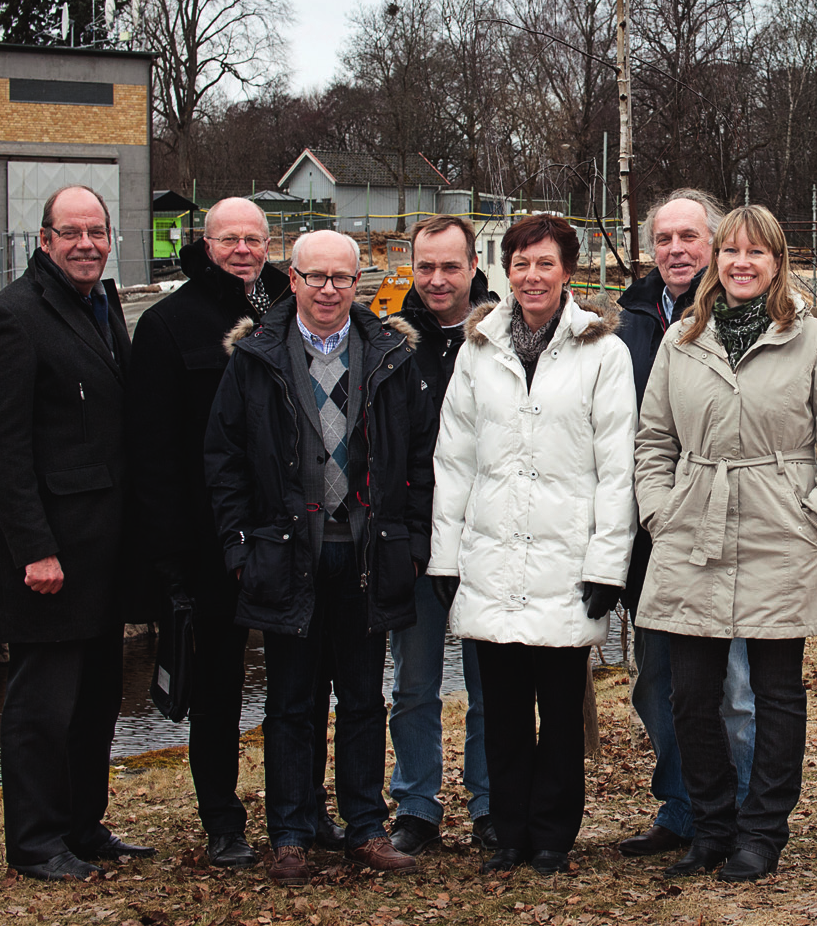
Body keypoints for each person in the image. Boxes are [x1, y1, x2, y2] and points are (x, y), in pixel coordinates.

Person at [634, 204, 817, 882]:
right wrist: (659, 512)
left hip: (778, 526)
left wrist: (814, 516)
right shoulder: (682, 340)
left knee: (775, 692)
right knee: (690, 694)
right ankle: (711, 827)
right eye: (730, 250)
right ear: (716, 260)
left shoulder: (814, 339)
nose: (740, 262)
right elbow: (653, 442)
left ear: (775, 261)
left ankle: (762, 830)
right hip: (692, 528)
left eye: (755, 252)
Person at [205, 230, 438, 883]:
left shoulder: (389, 353)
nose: (330, 289)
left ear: (358, 280)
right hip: (286, 555)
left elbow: (420, 454)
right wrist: (238, 545)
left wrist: (414, 542)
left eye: (342, 277)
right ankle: (291, 831)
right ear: (293, 278)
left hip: (368, 552)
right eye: (316, 277)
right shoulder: (255, 357)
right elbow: (221, 458)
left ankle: (365, 826)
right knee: (290, 701)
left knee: (364, 698)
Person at [127, 197, 346, 868]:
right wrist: (169, 558)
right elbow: (154, 450)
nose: (243, 249)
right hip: (210, 535)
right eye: (229, 238)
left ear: (269, 243)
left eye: (254, 238)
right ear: (206, 242)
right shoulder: (168, 325)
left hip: (296, 531)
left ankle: (305, 806)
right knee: (219, 687)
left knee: (304, 683)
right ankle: (222, 819)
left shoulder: (296, 306)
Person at [427, 213, 637, 875]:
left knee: (560, 710)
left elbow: (617, 469)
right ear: (506, 271)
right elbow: (453, 461)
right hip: (490, 556)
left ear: (567, 272)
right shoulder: (477, 349)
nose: (532, 275)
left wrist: (607, 563)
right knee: (505, 710)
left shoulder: (602, 353)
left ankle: (552, 832)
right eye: (520, 263)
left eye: (544, 263)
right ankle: (509, 831)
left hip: (566, 563)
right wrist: (444, 555)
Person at [0, 184, 154, 881]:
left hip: (103, 553)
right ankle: (37, 841)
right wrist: (35, 547)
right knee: (42, 706)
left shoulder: (102, 307)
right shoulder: (11, 320)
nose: (86, 243)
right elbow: (4, 449)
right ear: (43, 239)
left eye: (96, 231)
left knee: (98, 699)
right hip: (49, 555)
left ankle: (82, 823)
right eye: (71, 232)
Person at [614, 189, 756, 859]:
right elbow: (632, 432)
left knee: (731, 684)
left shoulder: (742, 312)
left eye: (688, 237)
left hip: (729, 531)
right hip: (653, 535)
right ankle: (682, 804)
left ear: (715, 242)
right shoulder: (632, 319)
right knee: (656, 679)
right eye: (663, 238)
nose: (675, 249)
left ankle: (740, 811)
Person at [386, 215, 501, 855]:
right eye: (425, 267)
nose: (437, 279)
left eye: (450, 267)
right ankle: (417, 805)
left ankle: (488, 801)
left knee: (490, 680)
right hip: (415, 533)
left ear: (471, 268)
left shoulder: (501, 339)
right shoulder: (389, 342)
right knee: (414, 680)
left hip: (489, 535)